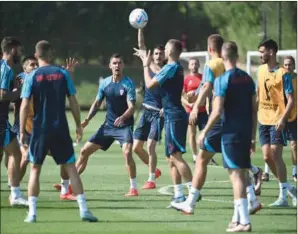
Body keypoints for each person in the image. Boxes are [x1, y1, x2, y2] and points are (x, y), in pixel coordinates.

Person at [171, 34, 261, 215]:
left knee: (203, 159)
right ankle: (251, 198)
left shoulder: (211, 65)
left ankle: (190, 202)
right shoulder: (243, 75)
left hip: (219, 119)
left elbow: (206, 87)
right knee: (238, 164)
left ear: (210, 49)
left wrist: (196, 107)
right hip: (238, 120)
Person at [20, 40, 97, 223]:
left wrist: (23, 130)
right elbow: (73, 101)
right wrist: (79, 125)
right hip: (60, 128)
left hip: (40, 129)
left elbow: (24, 106)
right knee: (71, 168)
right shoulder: (63, 74)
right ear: (51, 54)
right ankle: (84, 210)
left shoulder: (32, 75)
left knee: (35, 169)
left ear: (36, 54)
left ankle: (32, 213)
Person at [134, 39, 193, 204]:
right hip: (171, 115)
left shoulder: (171, 67)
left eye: (166, 48)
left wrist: (145, 65)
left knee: (175, 156)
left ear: (171, 51)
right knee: (170, 158)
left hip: (174, 116)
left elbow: (150, 84)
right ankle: (179, 195)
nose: (164, 50)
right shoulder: (176, 67)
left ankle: (193, 191)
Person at [76, 53, 138, 197]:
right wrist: (87, 120)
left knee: (127, 152)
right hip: (108, 126)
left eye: (119, 63)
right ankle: (68, 184)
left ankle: (133, 188)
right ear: (110, 66)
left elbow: (132, 107)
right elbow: (97, 103)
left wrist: (123, 117)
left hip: (124, 126)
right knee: (84, 151)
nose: (117, 65)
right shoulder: (104, 83)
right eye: (114, 63)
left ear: (123, 66)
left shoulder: (128, 83)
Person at [257, 39, 296, 207]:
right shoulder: (259, 70)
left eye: (262, 52)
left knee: (276, 154)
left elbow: (291, 100)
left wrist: (283, 118)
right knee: (267, 156)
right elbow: (258, 95)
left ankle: (283, 197)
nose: (260, 55)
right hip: (262, 119)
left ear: (271, 52)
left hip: (277, 120)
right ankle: (290, 189)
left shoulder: (283, 74)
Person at [133, 28, 164, 189]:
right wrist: (140, 27)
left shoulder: (167, 72)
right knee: (136, 147)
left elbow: (172, 93)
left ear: (165, 56)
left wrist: (166, 107)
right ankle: (155, 170)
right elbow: (142, 46)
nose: (158, 56)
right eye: (156, 53)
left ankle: (151, 179)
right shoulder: (149, 64)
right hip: (146, 111)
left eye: (161, 54)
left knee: (150, 145)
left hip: (158, 114)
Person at [0, 36, 28, 206]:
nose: (19, 53)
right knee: (15, 153)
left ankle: (15, 194)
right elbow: (3, 94)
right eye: (18, 50)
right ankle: (15, 195)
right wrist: (20, 90)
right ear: (11, 49)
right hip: (1, 120)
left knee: (9, 154)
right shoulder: (6, 69)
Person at [181, 58, 212, 164]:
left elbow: (207, 92)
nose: (194, 66)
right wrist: (188, 103)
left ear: (199, 65)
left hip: (202, 111)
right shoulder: (186, 79)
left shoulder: (203, 78)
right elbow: (181, 96)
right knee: (192, 134)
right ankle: (195, 156)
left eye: (195, 64)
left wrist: (207, 104)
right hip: (190, 111)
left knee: (206, 133)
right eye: (192, 64)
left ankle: (205, 155)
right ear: (189, 66)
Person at [283, 56, 297, 182]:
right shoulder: (279, 78)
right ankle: (266, 171)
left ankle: (294, 171)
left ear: (294, 65)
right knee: (274, 146)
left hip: (294, 116)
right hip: (279, 116)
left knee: (294, 145)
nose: (288, 67)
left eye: (290, 64)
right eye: (286, 65)